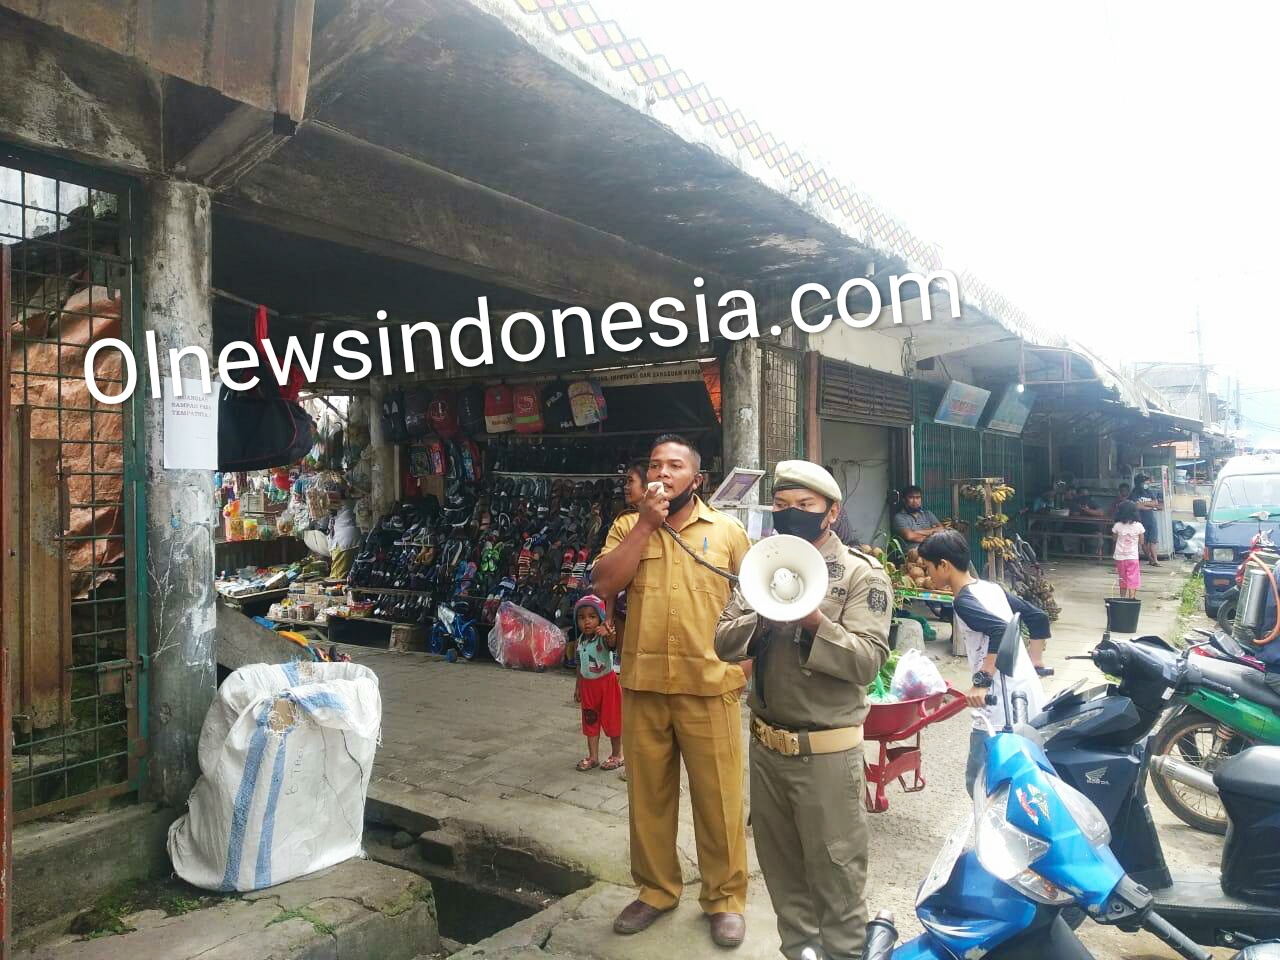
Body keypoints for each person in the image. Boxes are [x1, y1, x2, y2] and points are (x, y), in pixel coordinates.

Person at [715, 461, 891, 960]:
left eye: (805, 506)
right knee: (784, 880)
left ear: (831, 513)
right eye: (782, 505)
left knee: (837, 884)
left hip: (826, 757)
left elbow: (867, 661)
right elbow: (722, 642)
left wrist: (812, 619)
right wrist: (763, 623)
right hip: (768, 751)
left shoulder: (861, 573)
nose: (791, 514)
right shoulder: (759, 567)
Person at [590, 435, 751, 948]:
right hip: (644, 685)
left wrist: (745, 667)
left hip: (710, 687)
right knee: (649, 798)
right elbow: (605, 583)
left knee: (719, 799)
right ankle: (656, 890)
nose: (663, 472)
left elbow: (753, 602)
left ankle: (724, 899)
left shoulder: (727, 532)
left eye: (674, 465)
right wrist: (644, 525)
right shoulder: (626, 526)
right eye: (656, 465)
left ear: (696, 479)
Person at [917, 529, 1049, 797]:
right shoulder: (991, 588)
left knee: (979, 782)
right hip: (1025, 695)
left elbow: (1000, 630)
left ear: (944, 565)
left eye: (929, 567)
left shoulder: (963, 600)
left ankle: (991, 837)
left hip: (1000, 704)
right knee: (1018, 778)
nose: (928, 575)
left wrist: (982, 681)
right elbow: (1038, 618)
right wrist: (1036, 661)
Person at [572, 595, 624, 772]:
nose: (586, 621)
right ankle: (593, 756)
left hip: (607, 684)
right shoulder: (579, 643)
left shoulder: (603, 638)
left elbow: (612, 644)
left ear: (600, 619)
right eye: (582, 617)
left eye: (592, 616)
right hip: (588, 687)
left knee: (613, 720)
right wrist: (578, 687)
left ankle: (617, 754)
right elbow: (579, 665)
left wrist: (609, 632)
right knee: (590, 720)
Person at [1112, 501, 1146, 599]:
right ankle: (1132, 598)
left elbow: (1114, 538)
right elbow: (1142, 541)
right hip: (1132, 557)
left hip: (1120, 557)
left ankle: (1122, 598)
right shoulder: (1139, 525)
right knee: (1133, 577)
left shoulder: (1117, 525)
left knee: (1122, 577)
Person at [1130, 474, 1164, 566]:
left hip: (1151, 519)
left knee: (1153, 540)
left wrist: (1144, 504)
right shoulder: (1134, 493)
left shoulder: (1148, 491)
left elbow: (1155, 502)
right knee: (1144, 541)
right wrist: (1150, 506)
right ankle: (1150, 559)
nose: (1147, 484)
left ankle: (1155, 560)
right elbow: (1137, 506)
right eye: (1145, 482)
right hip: (1140, 520)